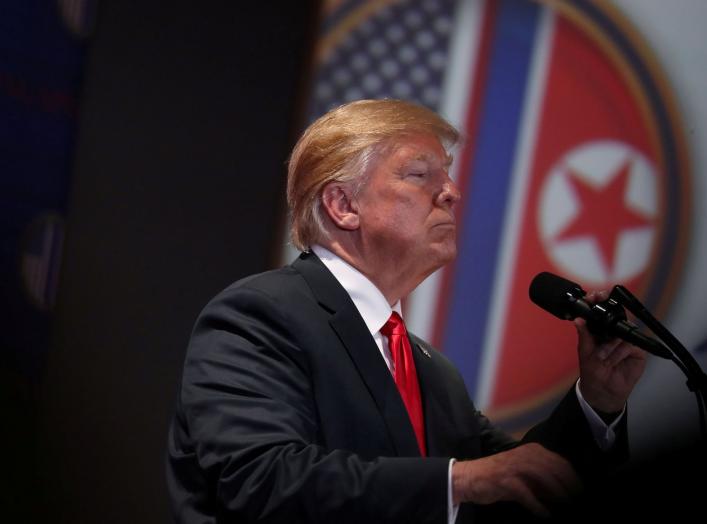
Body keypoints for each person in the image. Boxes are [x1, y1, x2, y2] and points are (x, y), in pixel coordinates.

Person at [166, 99, 647, 523]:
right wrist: (460, 483)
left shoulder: (433, 374)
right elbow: (259, 480)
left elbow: (523, 482)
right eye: (420, 174)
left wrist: (597, 403)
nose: (452, 192)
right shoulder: (260, 316)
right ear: (342, 205)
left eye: (448, 174)